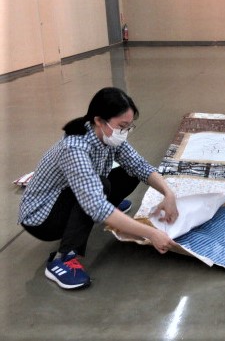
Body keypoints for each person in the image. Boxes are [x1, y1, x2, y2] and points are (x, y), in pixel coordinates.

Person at [18, 87, 179, 290]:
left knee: (130, 173)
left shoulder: (108, 135)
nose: (124, 132)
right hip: (42, 218)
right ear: (99, 121)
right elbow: (95, 205)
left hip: (72, 196)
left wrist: (168, 194)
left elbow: (140, 165)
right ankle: (63, 258)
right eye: (122, 126)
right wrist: (151, 233)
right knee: (100, 189)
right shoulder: (75, 148)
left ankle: (111, 210)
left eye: (129, 127)